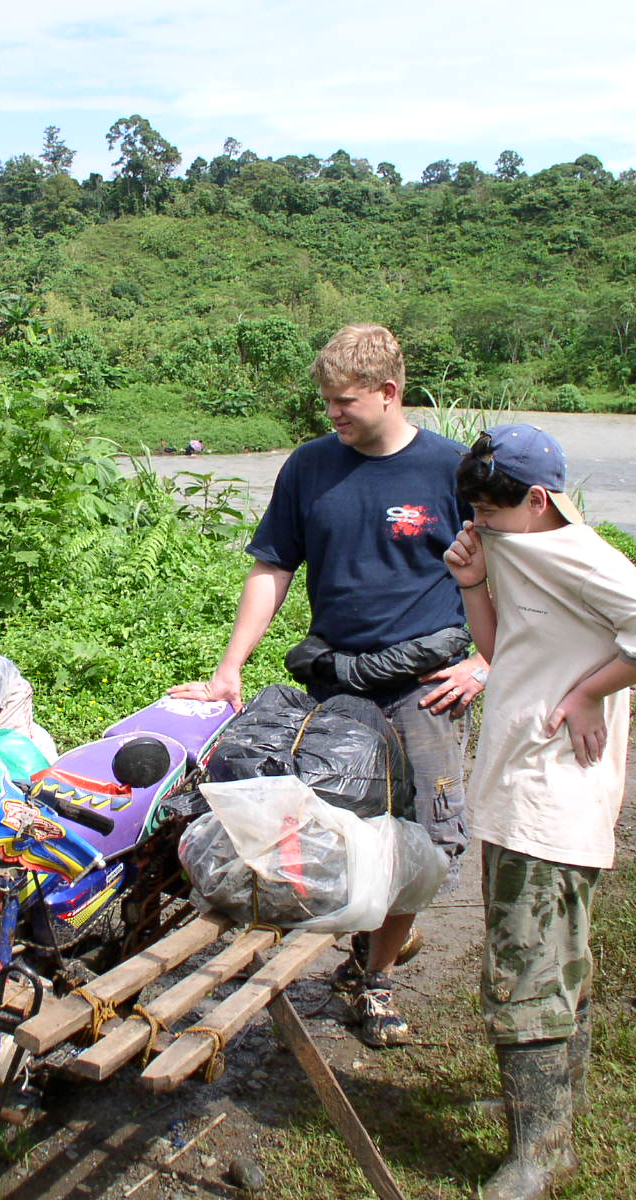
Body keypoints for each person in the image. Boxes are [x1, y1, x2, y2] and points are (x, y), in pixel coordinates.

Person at [170, 323, 488, 1047]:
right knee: (317, 825)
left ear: (389, 392)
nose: (332, 415)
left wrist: (486, 664)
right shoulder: (311, 467)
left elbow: (504, 567)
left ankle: (372, 978)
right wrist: (230, 669)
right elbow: (273, 568)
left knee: (429, 840)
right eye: (326, 402)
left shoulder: (453, 469)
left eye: (344, 402)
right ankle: (338, 932)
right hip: (334, 682)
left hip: (425, 683)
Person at [444, 425, 636, 1200]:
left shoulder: (578, 554)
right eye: (474, 507)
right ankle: (547, 1112)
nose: (480, 520)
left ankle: (542, 1152)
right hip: (522, 785)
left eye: (492, 507)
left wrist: (590, 690)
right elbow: (507, 650)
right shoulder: (520, 547)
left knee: (526, 963)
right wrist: (473, 583)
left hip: (549, 796)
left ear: (539, 499)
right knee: (553, 955)